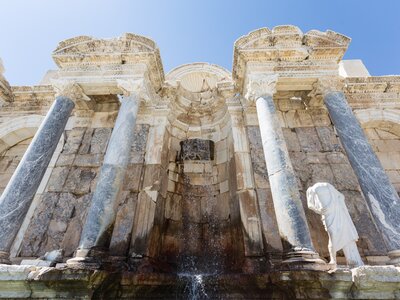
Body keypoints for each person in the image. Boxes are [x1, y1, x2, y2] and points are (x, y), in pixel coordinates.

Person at [307, 182, 364, 267]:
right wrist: (319, 210)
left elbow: (341, 196)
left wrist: (335, 204)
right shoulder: (312, 189)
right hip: (328, 215)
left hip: (338, 212)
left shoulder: (328, 186)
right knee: (333, 235)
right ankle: (333, 260)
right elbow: (310, 205)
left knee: (346, 235)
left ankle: (352, 260)